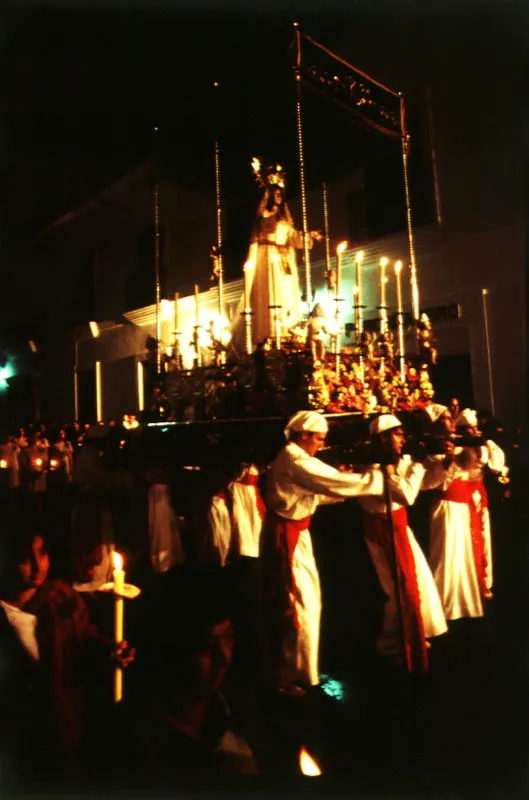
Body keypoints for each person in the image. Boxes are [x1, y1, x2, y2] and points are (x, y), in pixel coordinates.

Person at [0, 528, 133, 788]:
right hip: (21, 741)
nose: (38, 566)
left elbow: (83, 639)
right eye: (25, 558)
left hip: (69, 729)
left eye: (43, 553)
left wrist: (109, 651)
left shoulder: (61, 597)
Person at [264, 410, 384, 694]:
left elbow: (316, 492)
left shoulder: (296, 459)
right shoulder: (295, 459)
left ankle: (297, 672)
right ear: (303, 435)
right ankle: (290, 676)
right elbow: (333, 481)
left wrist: (346, 487)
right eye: (318, 439)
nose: (320, 445)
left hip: (296, 534)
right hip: (288, 538)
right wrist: (372, 477)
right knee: (299, 606)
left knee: (305, 603)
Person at [357, 414, 447, 672]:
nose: (402, 439)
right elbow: (407, 495)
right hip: (384, 533)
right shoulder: (374, 467)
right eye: (397, 434)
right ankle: (390, 645)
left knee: (417, 583)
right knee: (398, 592)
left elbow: (425, 485)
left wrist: (440, 464)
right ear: (383, 437)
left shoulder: (393, 463)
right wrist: (417, 465)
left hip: (399, 528)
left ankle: (413, 635)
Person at [232, 162, 323, 351]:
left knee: (285, 294)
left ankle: (284, 330)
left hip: (283, 261)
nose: (279, 196)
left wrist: (308, 236)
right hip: (267, 259)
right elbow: (256, 239)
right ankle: (267, 334)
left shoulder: (284, 219)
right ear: (269, 195)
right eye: (276, 192)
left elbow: (293, 237)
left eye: (281, 193)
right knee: (269, 294)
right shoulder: (263, 216)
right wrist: (251, 260)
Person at [421, 404, 486, 621]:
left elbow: (475, 464)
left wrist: (474, 441)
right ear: (436, 424)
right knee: (445, 556)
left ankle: (464, 605)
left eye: (451, 418)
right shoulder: (430, 449)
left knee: (463, 556)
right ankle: (443, 608)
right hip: (445, 507)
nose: (451, 422)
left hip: (461, 505)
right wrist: (449, 461)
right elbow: (435, 483)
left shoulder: (457, 443)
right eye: (446, 418)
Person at [455, 408, 508, 599]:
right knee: (469, 537)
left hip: (480, 491)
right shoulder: (457, 445)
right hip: (462, 492)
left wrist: (485, 445)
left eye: (475, 427)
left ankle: (485, 582)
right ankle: (471, 584)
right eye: (469, 428)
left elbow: (496, 466)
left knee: (484, 535)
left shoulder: (485, 442)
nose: (474, 431)